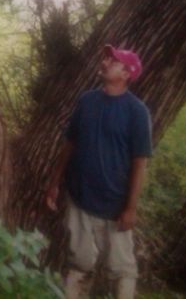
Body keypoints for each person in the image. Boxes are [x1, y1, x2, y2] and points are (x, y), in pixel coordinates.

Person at [45, 44, 153, 299]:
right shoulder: (87, 100)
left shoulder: (136, 112)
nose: (104, 62)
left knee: (122, 270)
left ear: (127, 73)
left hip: (114, 206)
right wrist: (54, 182)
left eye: (112, 60)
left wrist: (130, 208)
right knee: (79, 263)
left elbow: (140, 163)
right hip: (80, 198)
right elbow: (70, 143)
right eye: (106, 57)